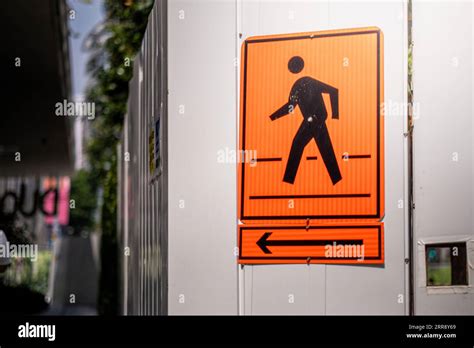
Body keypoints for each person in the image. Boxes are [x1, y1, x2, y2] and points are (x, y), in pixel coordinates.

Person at [269, 56, 342, 185]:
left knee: (298, 144)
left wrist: (335, 114)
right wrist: (273, 117)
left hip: (314, 119)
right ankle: (336, 179)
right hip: (313, 120)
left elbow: (333, 91)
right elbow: (290, 108)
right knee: (325, 148)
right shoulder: (296, 87)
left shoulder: (307, 81)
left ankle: (288, 180)